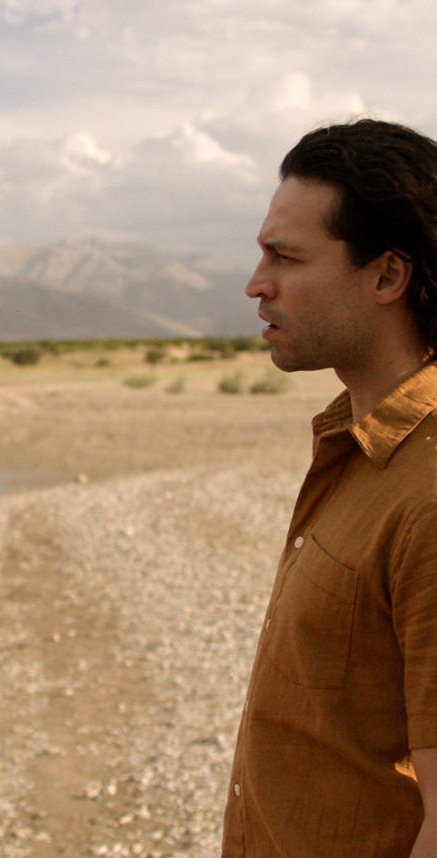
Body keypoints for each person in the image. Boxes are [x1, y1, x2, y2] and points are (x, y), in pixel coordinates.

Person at [222, 119, 437, 858]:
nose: (256, 284)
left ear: (387, 276)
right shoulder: (357, 445)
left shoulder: (429, 493)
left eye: (285, 257)